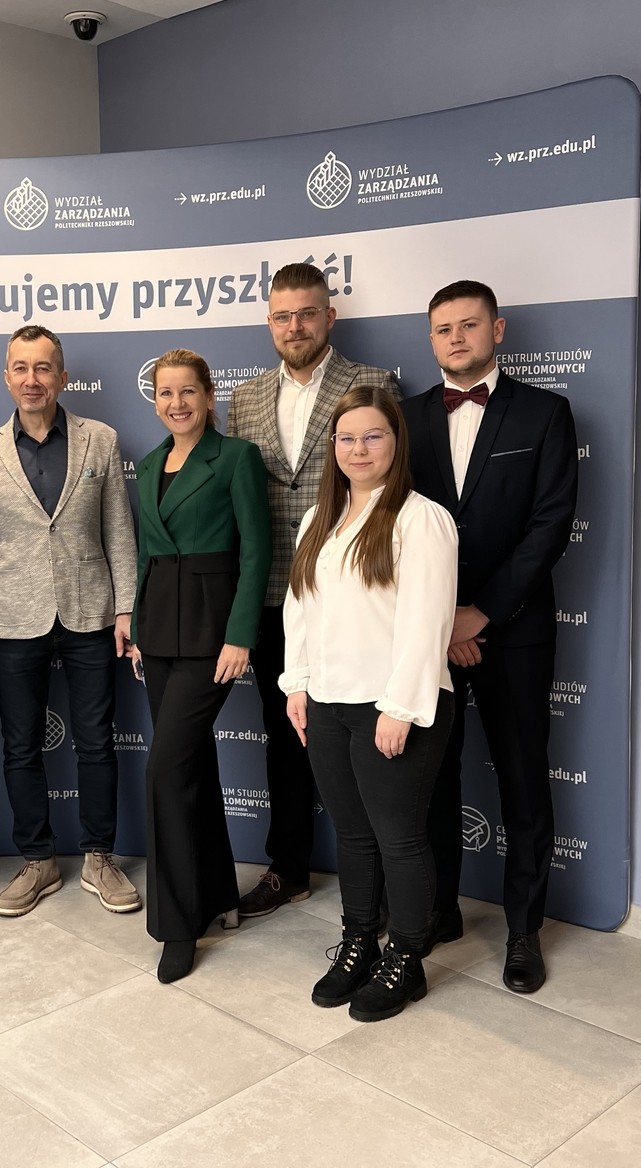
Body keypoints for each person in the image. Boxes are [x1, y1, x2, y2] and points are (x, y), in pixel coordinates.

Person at [403, 280, 578, 994]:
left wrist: (481, 613)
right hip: (427, 631)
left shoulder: (545, 413)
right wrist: (442, 617)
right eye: (443, 328)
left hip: (513, 631)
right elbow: (392, 522)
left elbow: (550, 525)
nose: (456, 338)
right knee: (431, 779)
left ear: (497, 330)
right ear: (431, 339)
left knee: (523, 781)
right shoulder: (403, 418)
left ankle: (523, 931)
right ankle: (438, 911)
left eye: (469, 325)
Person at [226, 261, 399, 918]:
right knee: (284, 734)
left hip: (358, 595)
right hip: (274, 594)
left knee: (368, 737)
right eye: (282, 315)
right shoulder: (243, 398)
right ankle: (288, 868)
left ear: (330, 316)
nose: (294, 326)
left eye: (306, 313)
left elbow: (392, 490)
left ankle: (383, 876)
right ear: (268, 322)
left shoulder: (372, 383)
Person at [281, 387, 457, 1021]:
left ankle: (407, 957)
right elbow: (300, 607)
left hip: (390, 707)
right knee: (353, 837)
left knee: (399, 839)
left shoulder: (421, 518)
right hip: (327, 704)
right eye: (347, 437)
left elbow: (427, 623)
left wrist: (400, 708)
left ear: (396, 442)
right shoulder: (318, 519)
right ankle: (359, 941)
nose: (358, 449)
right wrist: (297, 683)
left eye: (373, 435)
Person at [0, 325, 141, 918]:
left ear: (62, 377)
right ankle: (37, 860)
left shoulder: (100, 440)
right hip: (12, 617)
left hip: (90, 610)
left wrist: (126, 608)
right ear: (6, 377)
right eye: (21, 368)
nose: (31, 379)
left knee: (96, 741)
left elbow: (119, 531)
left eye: (42, 368)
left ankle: (99, 856)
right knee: (20, 746)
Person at [130, 349, 271, 983]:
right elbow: (146, 555)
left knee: (165, 770)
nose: (177, 403)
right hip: (159, 629)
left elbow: (256, 551)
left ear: (210, 397)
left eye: (188, 391)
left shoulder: (236, 458)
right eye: (166, 393)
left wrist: (240, 636)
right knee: (190, 768)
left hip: (213, 632)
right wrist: (138, 630)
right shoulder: (149, 463)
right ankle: (215, 893)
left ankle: (177, 925)